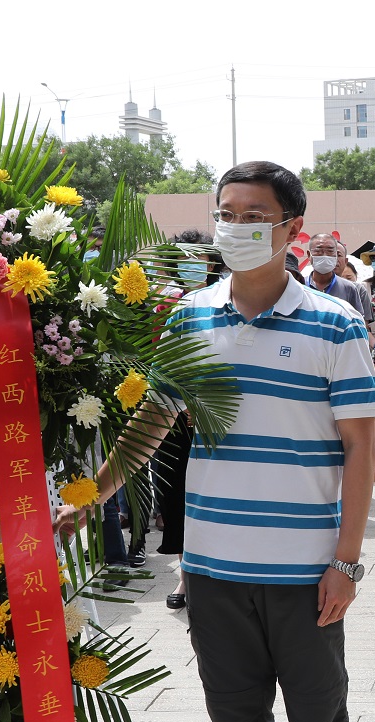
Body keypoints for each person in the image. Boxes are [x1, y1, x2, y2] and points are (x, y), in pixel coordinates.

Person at [59, 161, 375, 722]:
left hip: (305, 572)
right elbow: (153, 421)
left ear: (292, 228)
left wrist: (347, 563)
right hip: (214, 567)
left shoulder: (337, 324)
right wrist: (94, 492)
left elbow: (363, 449)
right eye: (227, 212)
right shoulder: (192, 316)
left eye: (254, 214)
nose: (236, 226)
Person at [156, 228, 223, 611]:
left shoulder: (219, 301)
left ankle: (198, 573)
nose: (190, 264)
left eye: (198, 256)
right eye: (182, 257)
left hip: (213, 416)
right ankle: (185, 569)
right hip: (168, 412)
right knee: (173, 492)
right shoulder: (159, 302)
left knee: (205, 490)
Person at [306, 232, 373, 330]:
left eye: (330, 251)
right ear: (309, 254)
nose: (325, 256)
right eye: (319, 251)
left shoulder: (350, 289)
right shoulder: (300, 285)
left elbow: (359, 326)